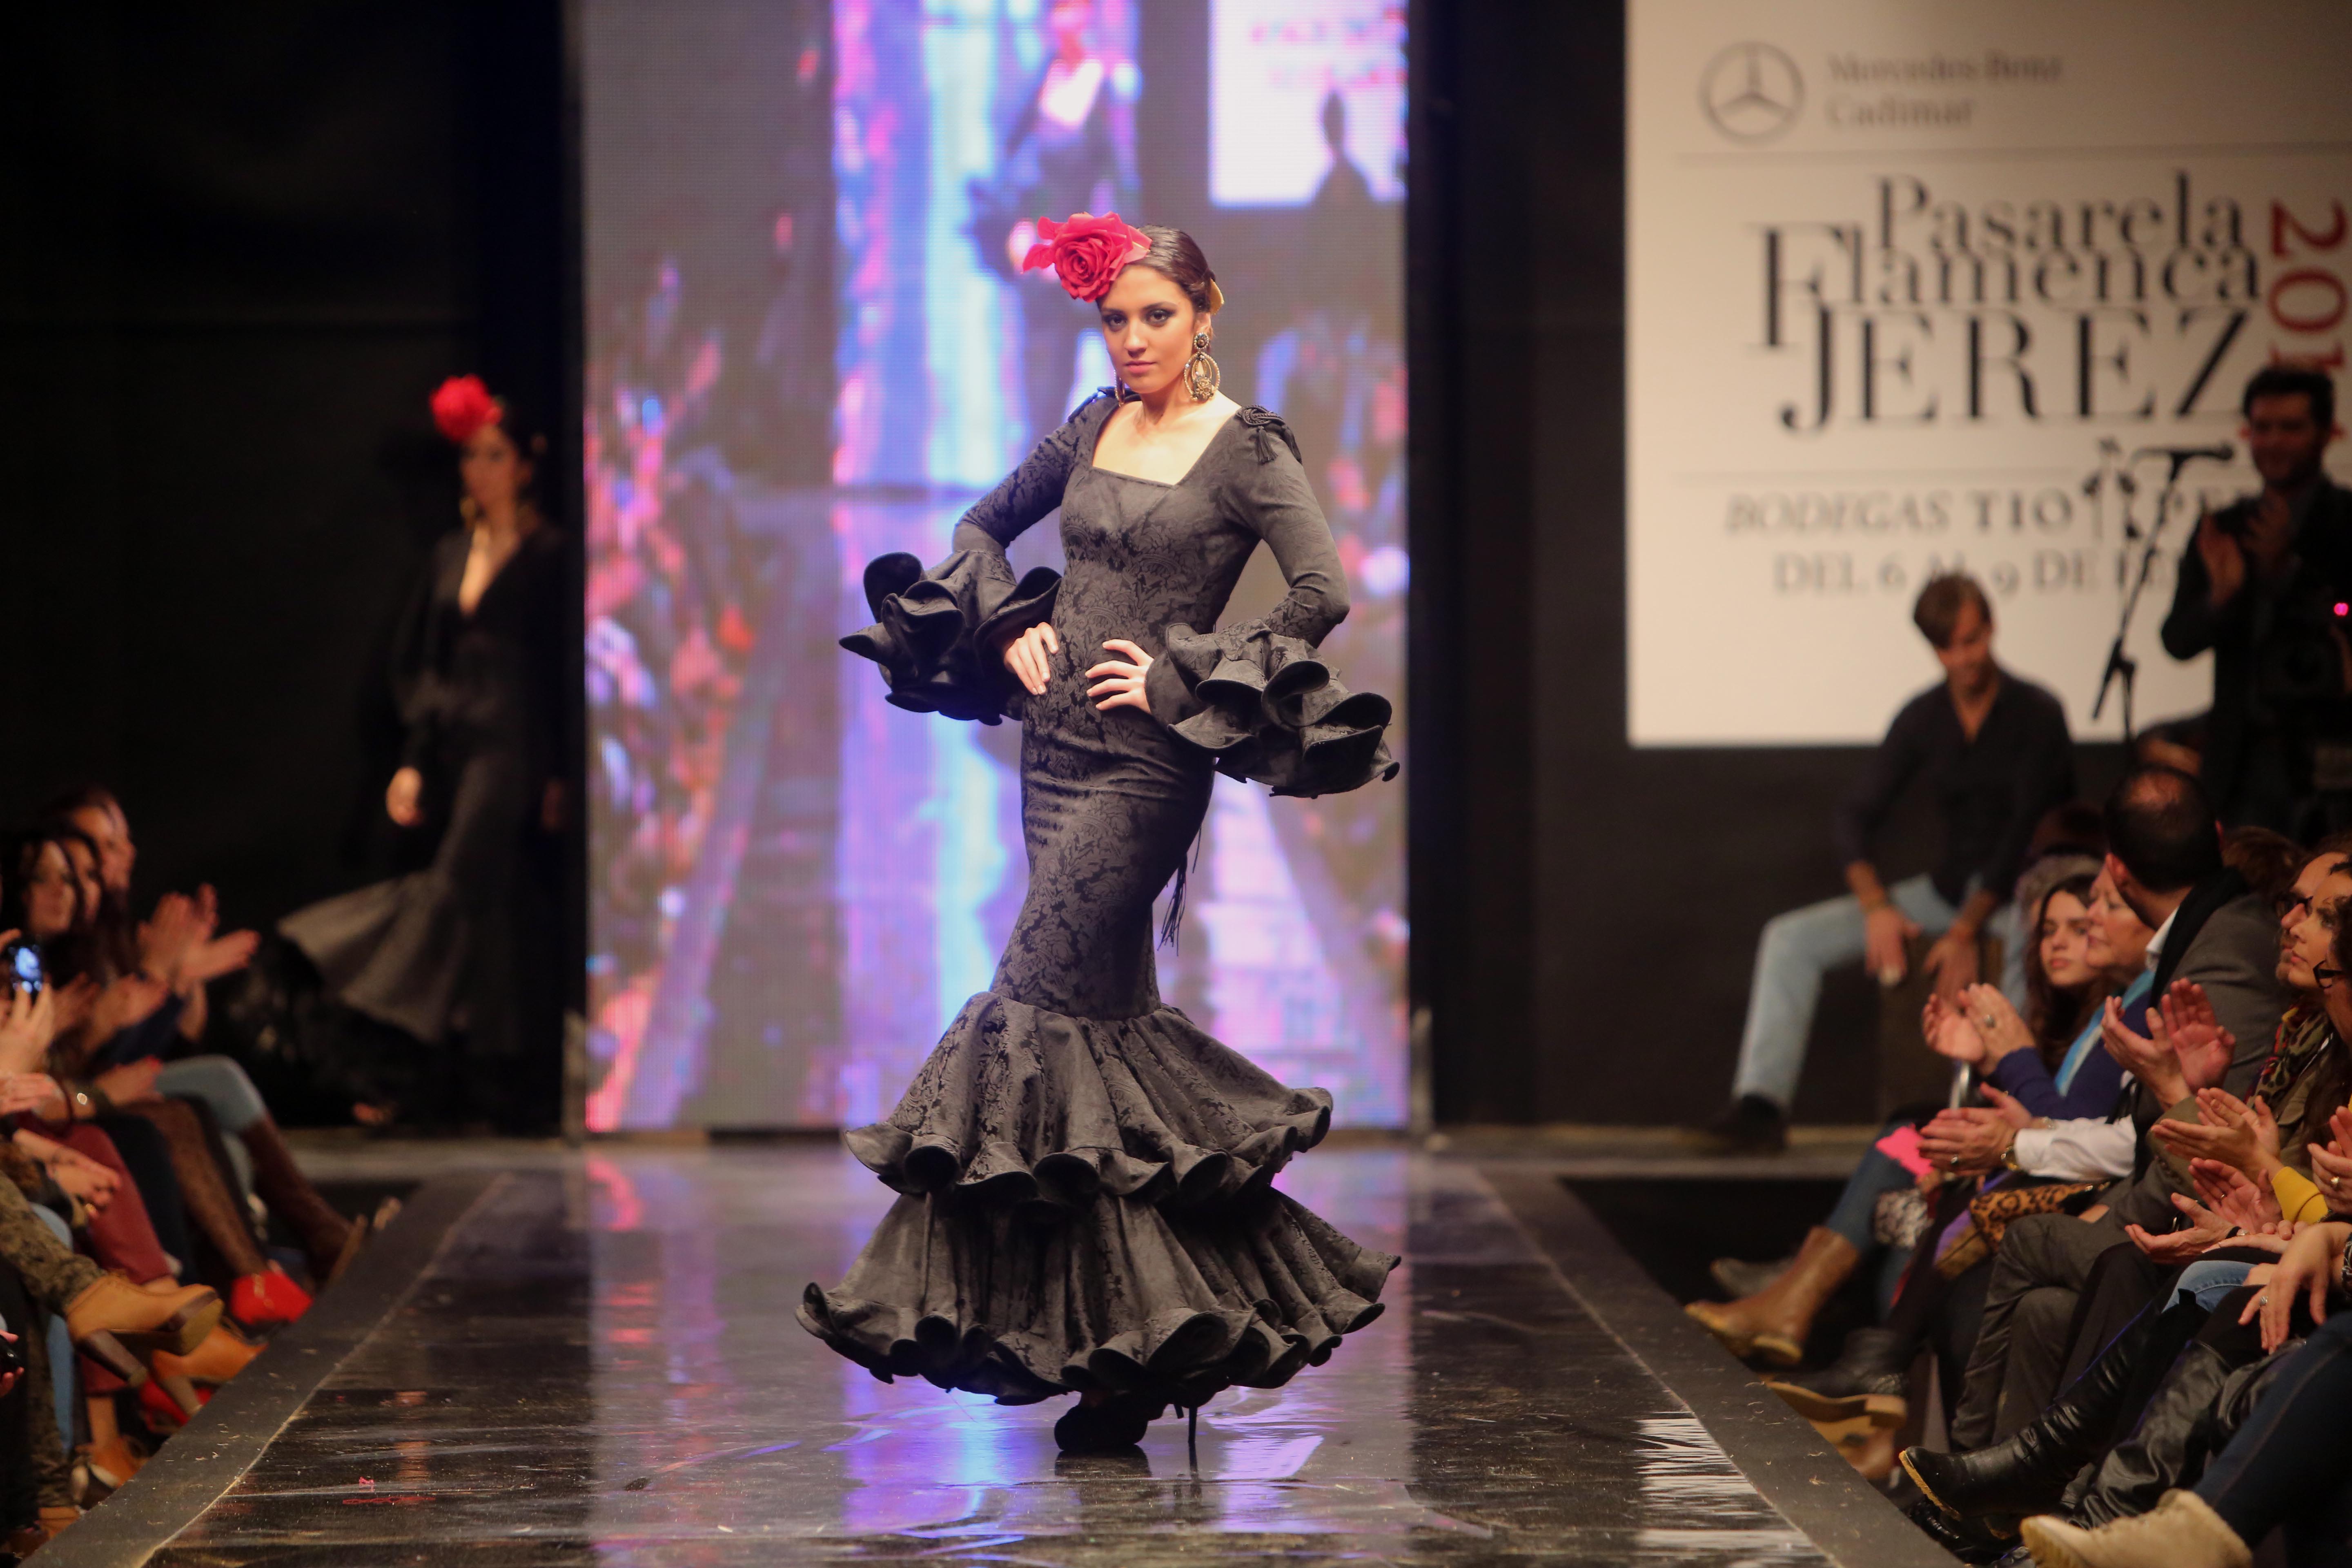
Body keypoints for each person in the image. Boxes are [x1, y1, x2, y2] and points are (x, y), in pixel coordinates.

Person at [806, 216, 1399, 1451]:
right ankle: (1136, 1350)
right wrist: (1008, 624)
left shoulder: (1246, 446)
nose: (1132, 340)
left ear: (1204, 311)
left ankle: (984, 1309)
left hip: (1146, 765)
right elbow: (978, 529)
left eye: (1155, 317)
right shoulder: (1090, 425)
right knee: (1093, 1038)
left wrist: (1184, 680)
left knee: (1026, 1004)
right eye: (1115, 319)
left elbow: (1322, 590)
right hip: (1053, 750)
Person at [1942, 765, 2286, 1452]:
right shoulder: (2196, 947)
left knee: (2026, 1241)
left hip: (2203, 1215)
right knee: (2040, 1309)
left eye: (2093, 910)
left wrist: (2015, 1075)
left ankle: (1973, 1463)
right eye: (2052, 927)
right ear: (2215, 837)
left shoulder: (2215, 960)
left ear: (2120, 871)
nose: (2294, 926)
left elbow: (2171, 1130)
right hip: (2158, 1195)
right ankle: (2007, 1488)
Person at [1688, 854, 2126, 1373]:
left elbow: (2063, 1129)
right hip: (2020, 1168)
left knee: (1911, 1165)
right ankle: (1823, 1314)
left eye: (2078, 928)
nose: (2058, 943)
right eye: (2047, 930)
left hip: (2057, 1190)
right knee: (1907, 1174)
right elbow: (2035, 1112)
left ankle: (1808, 1296)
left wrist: (2008, 1060)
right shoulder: (2064, 1015)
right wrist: (1989, 1062)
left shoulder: (2115, 1019)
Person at [1696, 574, 2077, 1153]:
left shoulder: (2038, 712)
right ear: (1934, 649)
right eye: (1949, 646)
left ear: (1992, 627)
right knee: (1789, 938)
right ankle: (1761, 1104)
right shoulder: (1925, 715)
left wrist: (1965, 932)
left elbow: (2022, 833)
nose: (1965, 658)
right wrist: (1876, 906)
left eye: (1972, 640)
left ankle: (2005, 1103)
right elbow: (1853, 815)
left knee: (2030, 934)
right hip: (1951, 887)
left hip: (2025, 885)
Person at [281, 376, 572, 1132]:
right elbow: (425, 664)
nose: (479, 469)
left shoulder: (549, 553)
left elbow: (559, 670)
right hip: (451, 750)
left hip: (511, 752)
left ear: (525, 464)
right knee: (485, 915)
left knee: (453, 890)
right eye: (471, 456)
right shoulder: (451, 553)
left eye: (494, 455)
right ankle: (477, 1076)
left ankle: (367, 1013)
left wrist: (560, 773)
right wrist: (412, 759)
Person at [2161, 365, 2352, 835]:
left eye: (2291, 428)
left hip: (2335, 754)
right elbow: (2178, 639)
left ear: (2325, 433)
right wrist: (2221, 598)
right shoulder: (2227, 529)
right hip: (2241, 765)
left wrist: (2289, 572)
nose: (2273, 442)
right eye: (2262, 428)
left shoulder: (2346, 520)